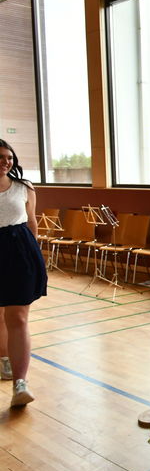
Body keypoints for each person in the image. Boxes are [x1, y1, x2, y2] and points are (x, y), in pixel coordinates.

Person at [0, 139, 47, 407]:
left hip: (20, 252)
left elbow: (32, 221)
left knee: (17, 316)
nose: (5, 162)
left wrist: (36, 255)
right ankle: (4, 359)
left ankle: (20, 383)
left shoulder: (24, 187)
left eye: (8, 157)